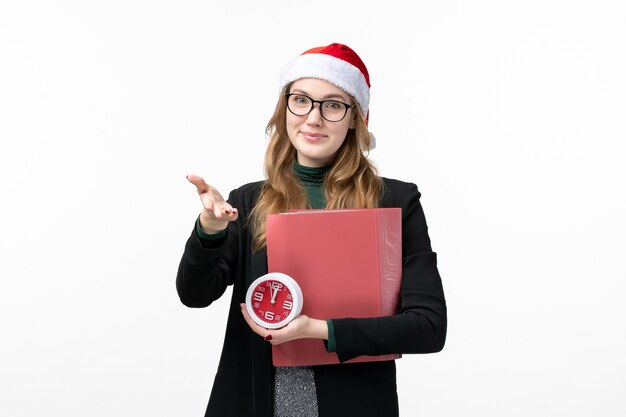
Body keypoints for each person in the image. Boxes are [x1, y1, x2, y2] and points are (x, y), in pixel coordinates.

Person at [176, 42, 447, 417]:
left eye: (333, 105)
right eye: (301, 100)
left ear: (356, 118)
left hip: (354, 402)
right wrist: (210, 230)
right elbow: (194, 294)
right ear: (285, 108)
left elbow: (428, 327)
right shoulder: (249, 200)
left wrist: (319, 330)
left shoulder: (396, 202)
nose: (313, 118)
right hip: (254, 400)